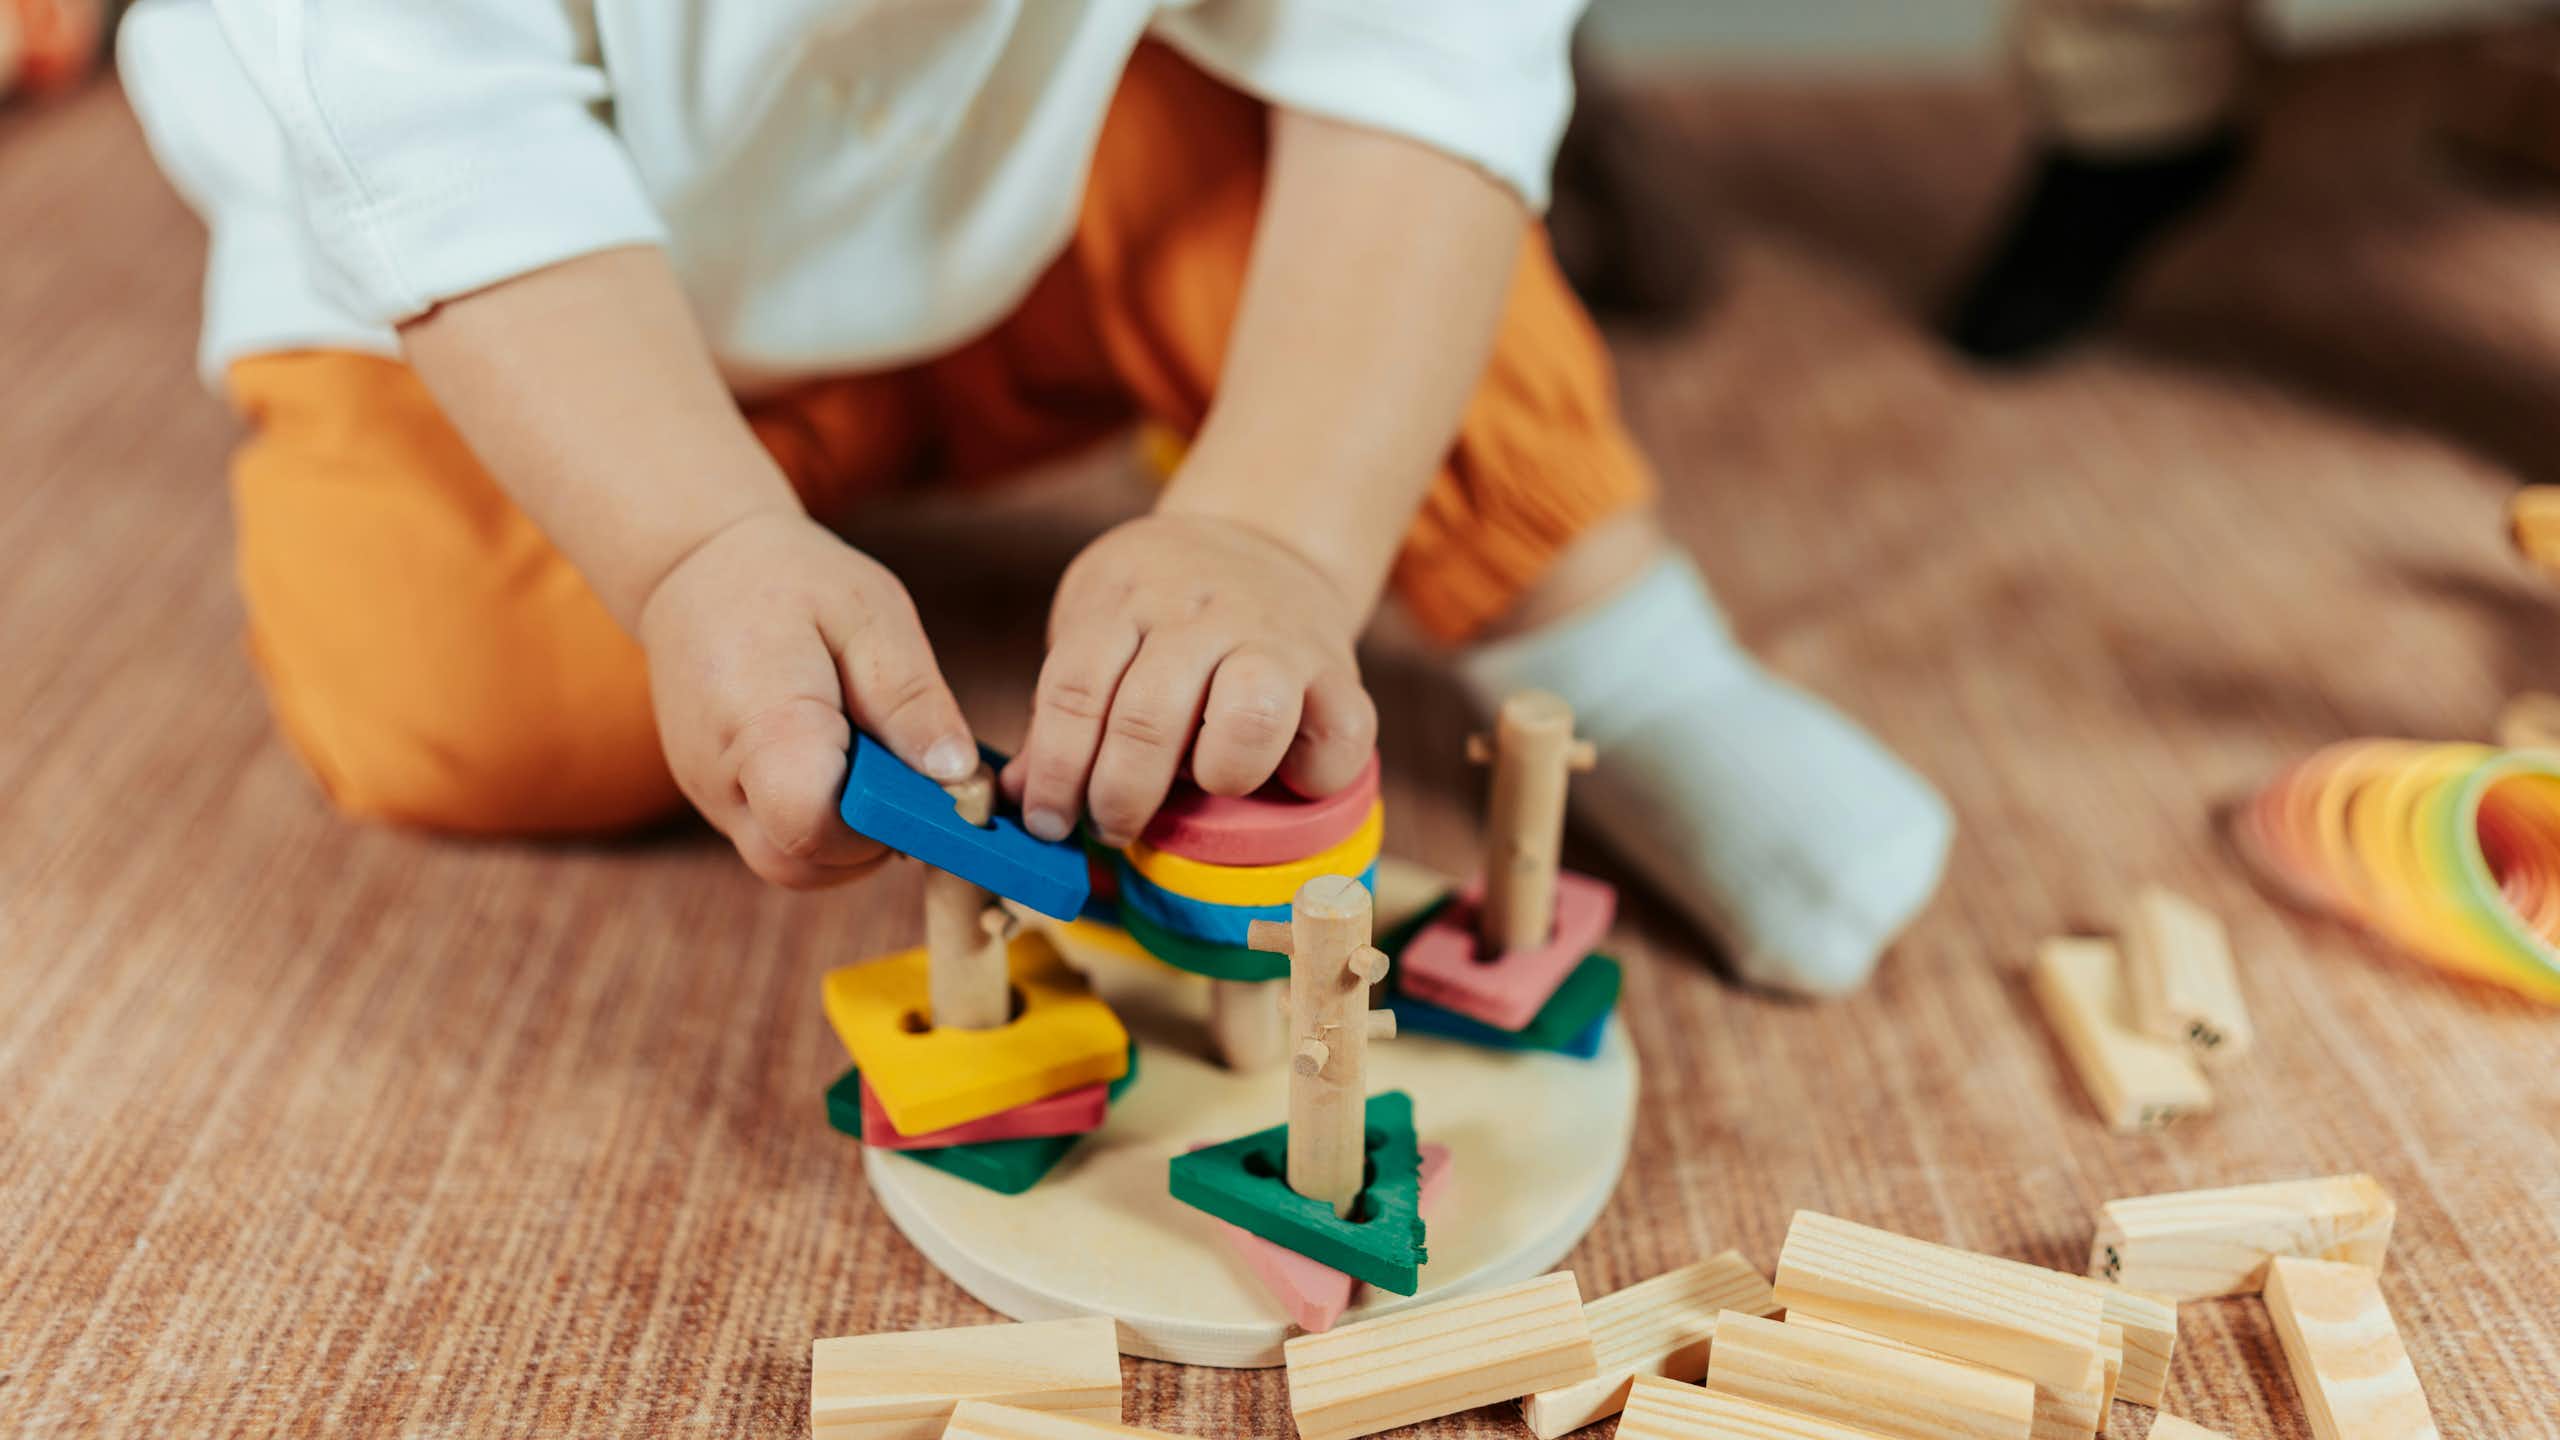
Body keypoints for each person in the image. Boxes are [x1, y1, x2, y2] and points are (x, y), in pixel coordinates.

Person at [119, 0, 1951, 995]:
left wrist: (1282, 525)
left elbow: (1416, 66)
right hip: (506, 306)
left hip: (1027, 196)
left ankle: (1622, 652)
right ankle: (756, 504)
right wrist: (692, 547)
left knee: (1383, 255)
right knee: (458, 700)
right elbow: (428, 137)